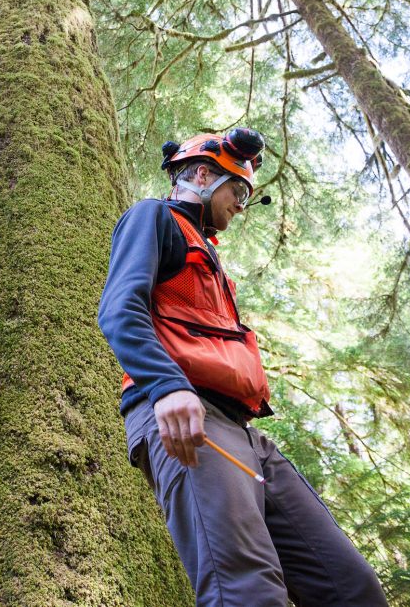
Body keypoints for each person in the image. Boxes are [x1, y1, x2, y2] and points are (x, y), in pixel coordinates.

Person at [97, 129, 389, 607]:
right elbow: (118, 308)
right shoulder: (153, 217)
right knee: (247, 591)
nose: (240, 204)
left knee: (350, 587)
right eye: (238, 190)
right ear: (203, 175)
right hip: (188, 418)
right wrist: (167, 386)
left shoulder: (209, 252)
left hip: (244, 432)